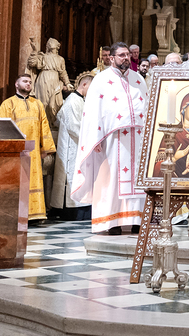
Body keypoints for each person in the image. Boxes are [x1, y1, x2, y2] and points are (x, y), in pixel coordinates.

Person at [72, 42, 148, 234]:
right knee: (111, 178)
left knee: (137, 178)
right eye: (121, 55)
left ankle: (137, 220)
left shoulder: (138, 79)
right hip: (111, 139)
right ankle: (112, 222)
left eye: (127, 55)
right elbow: (92, 112)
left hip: (137, 138)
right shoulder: (101, 80)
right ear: (112, 58)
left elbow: (146, 106)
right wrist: (94, 138)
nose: (126, 58)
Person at [0, 73, 56, 221]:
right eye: (24, 81)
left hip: (34, 152)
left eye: (29, 81)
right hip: (17, 151)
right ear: (17, 84)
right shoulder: (8, 104)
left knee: (34, 180)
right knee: (18, 182)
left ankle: (36, 214)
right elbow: (2, 128)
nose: (28, 84)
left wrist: (46, 148)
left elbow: (44, 126)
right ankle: (18, 215)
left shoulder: (37, 104)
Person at [50, 72, 94, 220]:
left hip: (79, 145)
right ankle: (70, 210)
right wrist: (91, 138)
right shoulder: (73, 100)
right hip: (72, 146)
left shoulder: (81, 100)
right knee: (71, 176)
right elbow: (73, 126)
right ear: (84, 84)